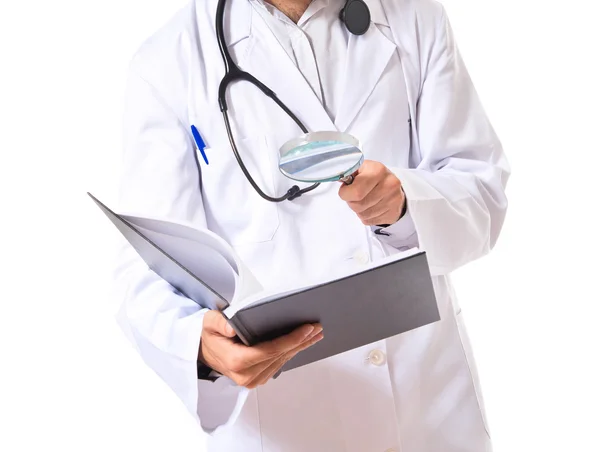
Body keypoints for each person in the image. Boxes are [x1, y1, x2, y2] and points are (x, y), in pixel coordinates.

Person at [112, 0, 510, 450]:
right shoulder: (169, 61)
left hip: (430, 404)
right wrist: (199, 347)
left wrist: (403, 204)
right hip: (289, 417)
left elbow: (483, 192)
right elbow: (147, 265)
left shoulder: (414, 16)